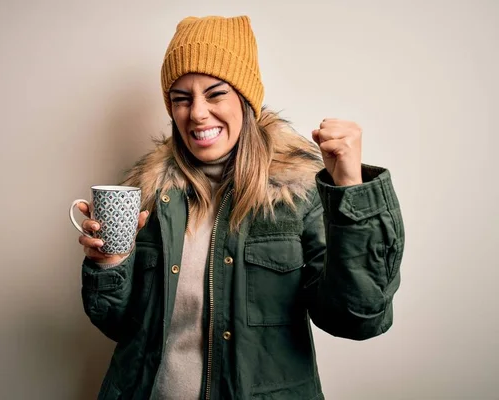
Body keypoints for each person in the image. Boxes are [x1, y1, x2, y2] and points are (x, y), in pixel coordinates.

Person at [76, 15, 404, 400]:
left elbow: (358, 318)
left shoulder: (297, 193)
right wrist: (108, 264)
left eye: (215, 94)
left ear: (246, 99)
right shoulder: (146, 193)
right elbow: (117, 324)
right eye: (181, 99)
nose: (197, 113)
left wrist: (350, 188)